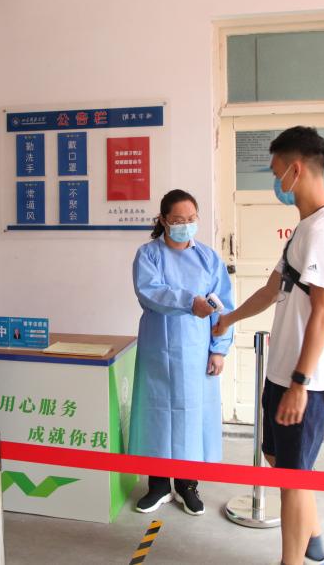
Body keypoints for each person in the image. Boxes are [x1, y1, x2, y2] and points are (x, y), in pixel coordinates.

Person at [213, 127, 324, 565]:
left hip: (307, 379)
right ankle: (316, 542)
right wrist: (228, 319)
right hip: (283, 371)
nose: (276, 183)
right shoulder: (304, 230)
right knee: (278, 457)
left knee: (292, 477)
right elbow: (273, 289)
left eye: (277, 173)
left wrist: (299, 383)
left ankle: (295, 560)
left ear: (296, 169)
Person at [129, 189, 234, 516]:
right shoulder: (149, 255)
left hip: (196, 350)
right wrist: (190, 302)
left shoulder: (208, 258)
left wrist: (219, 350)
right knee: (157, 413)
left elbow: (224, 307)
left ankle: (187, 484)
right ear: (163, 220)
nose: (185, 225)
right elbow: (151, 292)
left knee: (192, 414)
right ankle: (158, 485)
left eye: (191, 219)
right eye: (178, 220)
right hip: (158, 349)